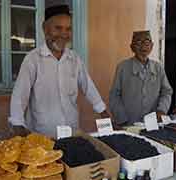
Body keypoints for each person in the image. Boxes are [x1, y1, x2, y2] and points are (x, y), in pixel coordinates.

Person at [9, 5, 109, 138]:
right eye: (58, 28)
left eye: (68, 29)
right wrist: (17, 123)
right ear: (45, 29)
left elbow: (88, 87)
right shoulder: (33, 59)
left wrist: (103, 111)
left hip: (71, 132)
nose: (64, 34)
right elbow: (19, 95)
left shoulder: (74, 59)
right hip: (42, 135)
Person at [109, 30, 172, 126]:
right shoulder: (123, 67)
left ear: (151, 46)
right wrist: (121, 118)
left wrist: (161, 110)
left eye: (146, 42)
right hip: (129, 122)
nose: (143, 46)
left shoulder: (158, 68)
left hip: (153, 123)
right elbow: (114, 95)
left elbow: (167, 92)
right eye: (138, 43)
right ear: (132, 47)